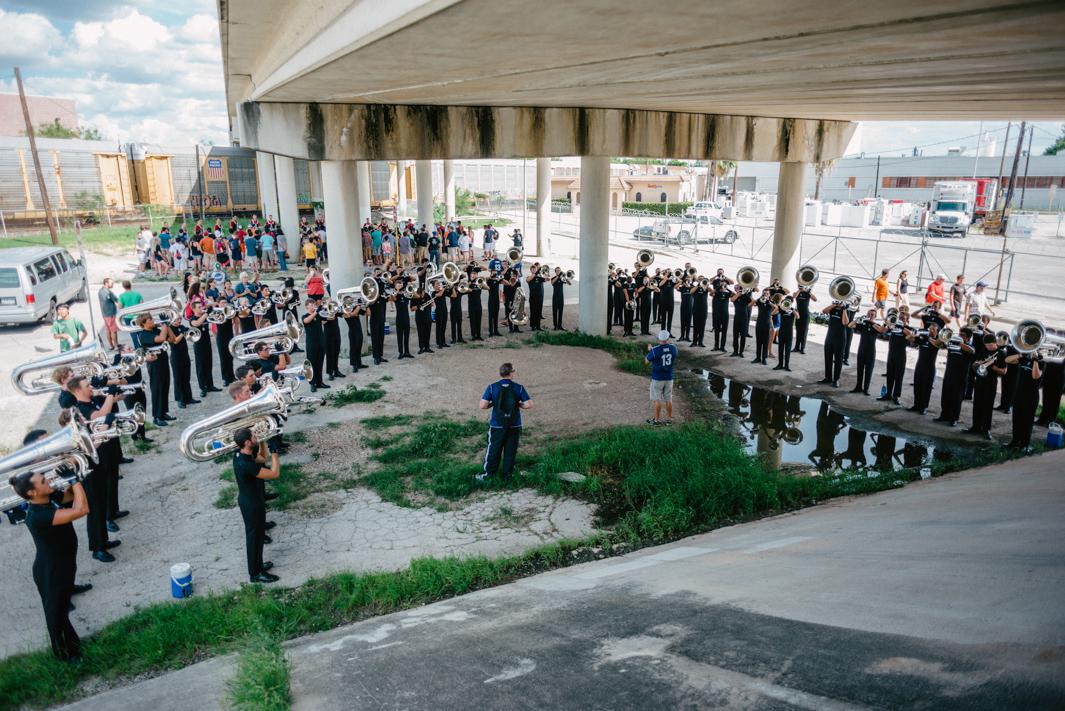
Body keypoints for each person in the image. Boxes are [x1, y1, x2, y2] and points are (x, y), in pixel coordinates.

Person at [8, 456, 89, 661]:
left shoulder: (49, 499)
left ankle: (73, 646)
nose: (49, 481)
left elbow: (72, 497)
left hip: (62, 564)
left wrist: (75, 469)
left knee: (61, 610)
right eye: (43, 481)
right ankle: (64, 656)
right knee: (56, 615)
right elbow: (81, 509)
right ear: (32, 493)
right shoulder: (37, 516)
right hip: (51, 569)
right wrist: (74, 481)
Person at [68, 376, 121, 561]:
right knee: (95, 507)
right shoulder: (81, 409)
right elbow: (99, 418)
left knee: (102, 501)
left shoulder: (91, 401)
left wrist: (110, 391)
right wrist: (109, 397)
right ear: (76, 390)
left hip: (97, 460)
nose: (90, 387)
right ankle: (97, 548)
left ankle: (103, 541)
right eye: (86, 386)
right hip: (88, 464)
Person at [232, 427, 281, 583]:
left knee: (259, 536)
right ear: (247, 442)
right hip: (251, 504)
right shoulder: (246, 464)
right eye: (253, 436)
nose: (256, 436)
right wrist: (275, 452)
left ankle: (258, 566)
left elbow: (262, 459)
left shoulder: (242, 453)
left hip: (252, 500)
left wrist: (262, 443)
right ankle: (255, 574)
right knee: (254, 538)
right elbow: (274, 473)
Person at [477, 362, 533, 482]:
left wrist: (493, 404)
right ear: (511, 373)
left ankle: (488, 475)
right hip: (514, 424)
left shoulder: (492, 387)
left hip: (497, 424)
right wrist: (518, 404)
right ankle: (508, 475)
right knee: (510, 450)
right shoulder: (519, 387)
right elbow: (528, 405)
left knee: (493, 449)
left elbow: (482, 405)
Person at [133, 312, 175, 427]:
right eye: (150, 319)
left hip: (163, 360)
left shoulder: (155, 329)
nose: (153, 320)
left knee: (165, 385)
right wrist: (164, 326)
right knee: (157, 388)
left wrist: (167, 325)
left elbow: (172, 339)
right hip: (154, 363)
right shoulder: (144, 335)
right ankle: (156, 416)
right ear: (143, 323)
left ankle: (163, 412)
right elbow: (161, 338)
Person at [966, 333, 1006, 441]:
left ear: (994, 343)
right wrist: (977, 364)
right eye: (986, 345)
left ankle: (986, 430)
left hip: (991, 382)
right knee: (977, 404)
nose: (987, 347)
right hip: (980, 380)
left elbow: (1003, 371)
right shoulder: (984, 349)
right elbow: (976, 362)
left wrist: (993, 367)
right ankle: (975, 427)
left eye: (989, 345)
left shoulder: (1001, 353)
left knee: (987, 406)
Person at [934, 327, 975, 426]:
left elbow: (971, 351)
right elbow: (937, 344)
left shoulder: (970, 346)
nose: (960, 336)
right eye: (959, 334)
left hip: (960, 376)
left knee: (956, 398)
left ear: (968, 338)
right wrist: (943, 337)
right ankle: (944, 415)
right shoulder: (951, 343)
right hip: (948, 374)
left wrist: (959, 342)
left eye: (963, 335)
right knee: (946, 396)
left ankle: (954, 418)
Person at [1005, 352, 1042, 451]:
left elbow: (1035, 376)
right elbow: (1007, 360)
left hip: (1031, 397)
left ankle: (1025, 445)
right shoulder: (1024, 358)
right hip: (1019, 394)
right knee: (1016, 420)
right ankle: (1015, 441)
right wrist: (1020, 355)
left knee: (1027, 421)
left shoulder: (1041, 360)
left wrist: (1035, 360)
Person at [878, 311, 913, 405]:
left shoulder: (908, 328)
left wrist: (902, 326)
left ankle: (896, 396)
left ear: (907, 320)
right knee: (890, 376)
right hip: (891, 355)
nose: (900, 319)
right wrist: (886, 322)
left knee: (898, 377)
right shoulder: (893, 326)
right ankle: (888, 394)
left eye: (903, 318)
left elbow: (911, 337)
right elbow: (882, 331)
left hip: (900, 356)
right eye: (900, 317)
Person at [646, 331, 678, 425]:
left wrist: (650, 350)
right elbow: (673, 355)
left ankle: (656, 420)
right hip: (669, 377)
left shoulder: (655, 350)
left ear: (659, 339)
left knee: (657, 399)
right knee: (668, 399)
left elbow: (646, 361)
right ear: (668, 339)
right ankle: (669, 420)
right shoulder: (673, 348)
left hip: (657, 378)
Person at [848, 308, 883, 394]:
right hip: (861, 350)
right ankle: (858, 387)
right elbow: (850, 325)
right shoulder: (863, 323)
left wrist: (872, 322)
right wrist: (857, 320)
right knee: (860, 369)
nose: (870, 316)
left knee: (868, 370)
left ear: (875, 316)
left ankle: (866, 389)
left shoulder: (876, 325)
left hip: (871, 351)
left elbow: (881, 330)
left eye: (872, 314)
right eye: (869, 314)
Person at [820, 300, 850, 388]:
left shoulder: (845, 311)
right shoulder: (832, 309)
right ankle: (828, 377)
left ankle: (836, 379)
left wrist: (844, 309)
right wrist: (833, 304)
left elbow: (845, 322)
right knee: (828, 357)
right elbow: (824, 311)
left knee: (838, 360)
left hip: (840, 338)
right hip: (830, 336)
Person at [302, 297, 328, 392]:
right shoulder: (305, 316)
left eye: (314, 305)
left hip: (321, 342)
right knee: (312, 364)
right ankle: (312, 383)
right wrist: (316, 312)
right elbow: (306, 321)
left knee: (320, 363)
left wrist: (325, 309)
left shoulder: (318, 315)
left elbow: (325, 319)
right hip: (311, 343)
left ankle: (320, 382)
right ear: (306, 306)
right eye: (311, 305)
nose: (313, 306)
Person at [710, 269, 732, 351]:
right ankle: (716, 346)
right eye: (721, 284)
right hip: (717, 312)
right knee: (717, 329)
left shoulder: (728, 292)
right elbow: (711, 293)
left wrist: (727, 288)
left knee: (724, 331)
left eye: (724, 284)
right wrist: (718, 287)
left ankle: (722, 346)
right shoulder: (716, 292)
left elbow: (734, 295)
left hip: (725, 313)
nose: (723, 284)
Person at [772, 295, 794, 371]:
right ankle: (780, 364)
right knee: (780, 349)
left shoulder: (793, 310)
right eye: (787, 300)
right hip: (782, 332)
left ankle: (786, 366)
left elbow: (798, 317)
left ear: (792, 302)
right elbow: (773, 313)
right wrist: (779, 306)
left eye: (789, 301)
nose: (788, 302)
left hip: (789, 333)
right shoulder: (782, 309)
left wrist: (792, 310)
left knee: (787, 350)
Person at [729, 284, 752, 357]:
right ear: (735, 289)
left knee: (743, 336)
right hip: (737, 317)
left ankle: (741, 352)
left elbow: (752, 301)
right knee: (735, 335)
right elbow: (732, 300)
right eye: (737, 288)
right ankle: (735, 351)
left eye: (739, 288)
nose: (738, 289)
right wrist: (738, 293)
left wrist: (744, 293)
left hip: (744, 317)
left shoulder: (745, 296)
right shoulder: (734, 296)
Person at [98, 278, 120, 351]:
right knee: (113, 331)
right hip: (111, 313)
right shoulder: (108, 292)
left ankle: (111, 345)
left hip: (104, 313)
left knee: (108, 330)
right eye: (111, 283)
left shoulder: (100, 291)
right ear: (106, 283)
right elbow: (117, 300)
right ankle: (116, 346)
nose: (113, 284)